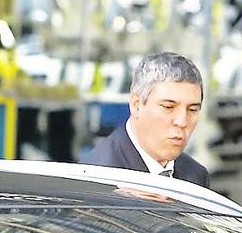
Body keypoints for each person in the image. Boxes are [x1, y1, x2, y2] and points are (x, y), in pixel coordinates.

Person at [85, 52, 209, 187]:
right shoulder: (98, 180)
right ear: (136, 104)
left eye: (192, 110)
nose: (182, 121)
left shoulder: (196, 175)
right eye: (168, 107)